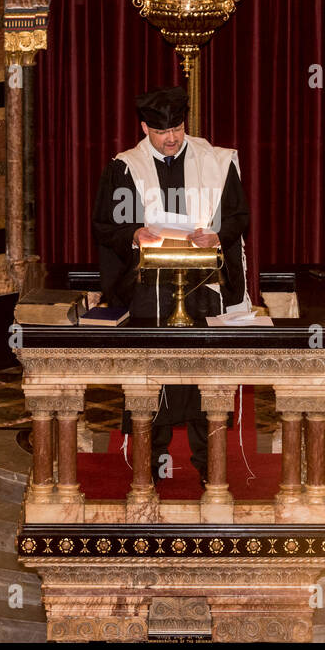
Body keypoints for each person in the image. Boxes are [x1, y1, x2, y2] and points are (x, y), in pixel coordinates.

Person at [92, 86, 250, 486]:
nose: (171, 138)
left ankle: (209, 469)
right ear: (145, 128)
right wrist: (134, 233)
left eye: (177, 128)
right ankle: (149, 466)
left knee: (205, 380)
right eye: (162, 131)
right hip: (150, 291)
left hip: (203, 287)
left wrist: (217, 237)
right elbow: (104, 226)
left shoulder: (216, 162)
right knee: (151, 378)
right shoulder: (124, 167)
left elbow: (238, 215)